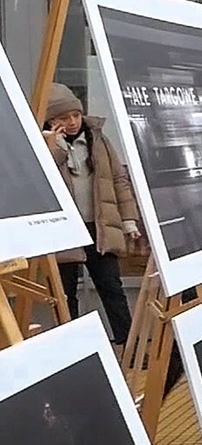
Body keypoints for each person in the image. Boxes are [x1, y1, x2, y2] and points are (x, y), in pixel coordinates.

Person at [42, 83, 141, 342]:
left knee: (111, 286)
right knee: (65, 293)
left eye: (75, 114)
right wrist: (57, 146)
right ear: (52, 120)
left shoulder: (98, 138)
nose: (73, 122)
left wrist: (128, 220)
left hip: (100, 226)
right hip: (65, 230)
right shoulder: (45, 143)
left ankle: (126, 342)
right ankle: (71, 347)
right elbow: (42, 178)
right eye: (64, 118)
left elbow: (118, 179)